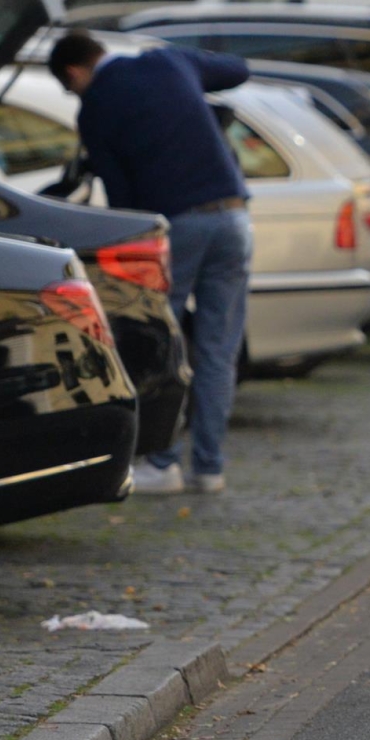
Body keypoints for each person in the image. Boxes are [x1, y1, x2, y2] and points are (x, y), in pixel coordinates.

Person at [47, 31, 252, 496]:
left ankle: (162, 463)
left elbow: (123, 202)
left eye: (69, 87)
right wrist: (187, 69)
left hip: (177, 228)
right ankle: (209, 468)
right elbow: (238, 69)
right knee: (220, 350)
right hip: (234, 217)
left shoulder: (95, 106)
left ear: (75, 72)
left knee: (165, 345)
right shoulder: (168, 62)